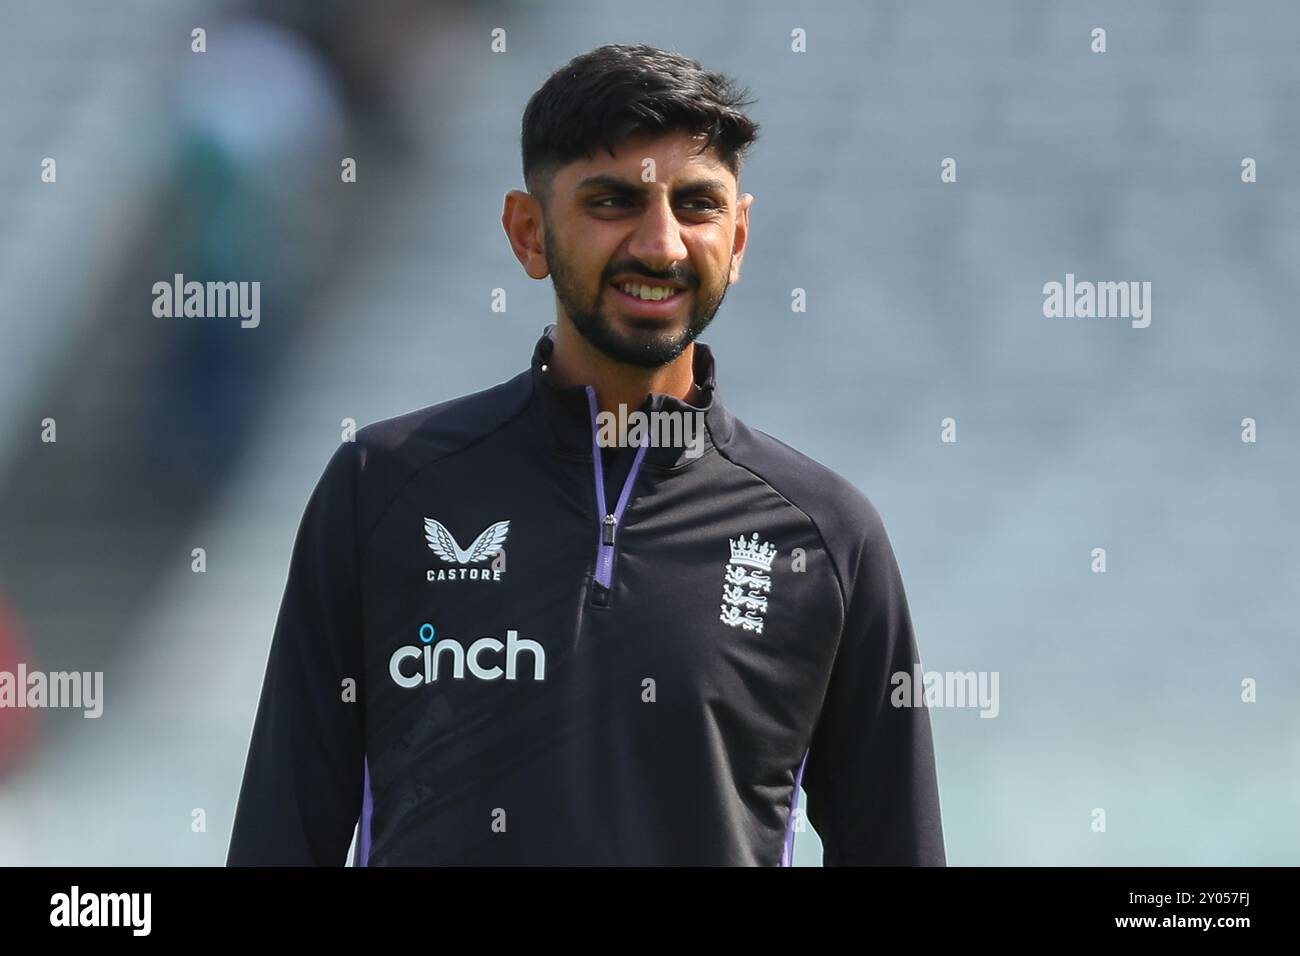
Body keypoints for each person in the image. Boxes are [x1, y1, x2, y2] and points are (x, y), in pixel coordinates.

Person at [228, 42, 945, 866]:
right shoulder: (380, 488)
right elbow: (281, 840)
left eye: (697, 206)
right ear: (529, 234)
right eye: (613, 202)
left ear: (739, 239)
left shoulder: (828, 535)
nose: (661, 246)